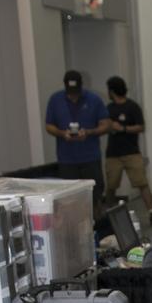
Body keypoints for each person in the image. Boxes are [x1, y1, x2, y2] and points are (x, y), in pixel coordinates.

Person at [45, 70, 111, 206]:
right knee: (69, 198)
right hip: (67, 159)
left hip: (90, 158)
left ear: (81, 86)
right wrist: (62, 133)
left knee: (95, 194)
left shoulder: (94, 99)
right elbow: (49, 125)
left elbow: (106, 124)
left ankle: (96, 221)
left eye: (76, 91)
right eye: (70, 91)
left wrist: (89, 132)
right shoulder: (55, 100)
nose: (73, 95)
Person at [104, 76, 152, 218]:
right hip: (113, 153)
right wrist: (110, 127)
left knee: (142, 183)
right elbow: (103, 126)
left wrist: (123, 128)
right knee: (111, 186)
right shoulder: (108, 108)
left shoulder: (132, 106)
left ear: (112, 91)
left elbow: (141, 127)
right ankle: (108, 214)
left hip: (131, 152)